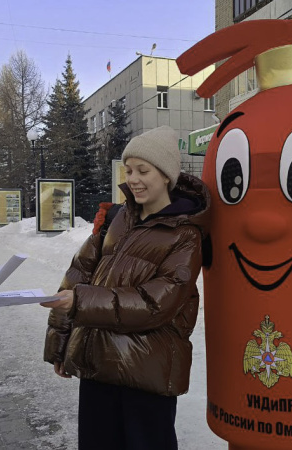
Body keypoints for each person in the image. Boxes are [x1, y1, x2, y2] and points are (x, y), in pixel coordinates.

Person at [41, 125, 211, 450]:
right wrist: (60, 343)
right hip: (96, 365)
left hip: (146, 373)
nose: (133, 178)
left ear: (166, 176)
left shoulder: (185, 234)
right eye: (129, 169)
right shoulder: (117, 218)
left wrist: (79, 302)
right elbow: (78, 275)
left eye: (143, 171)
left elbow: (155, 304)